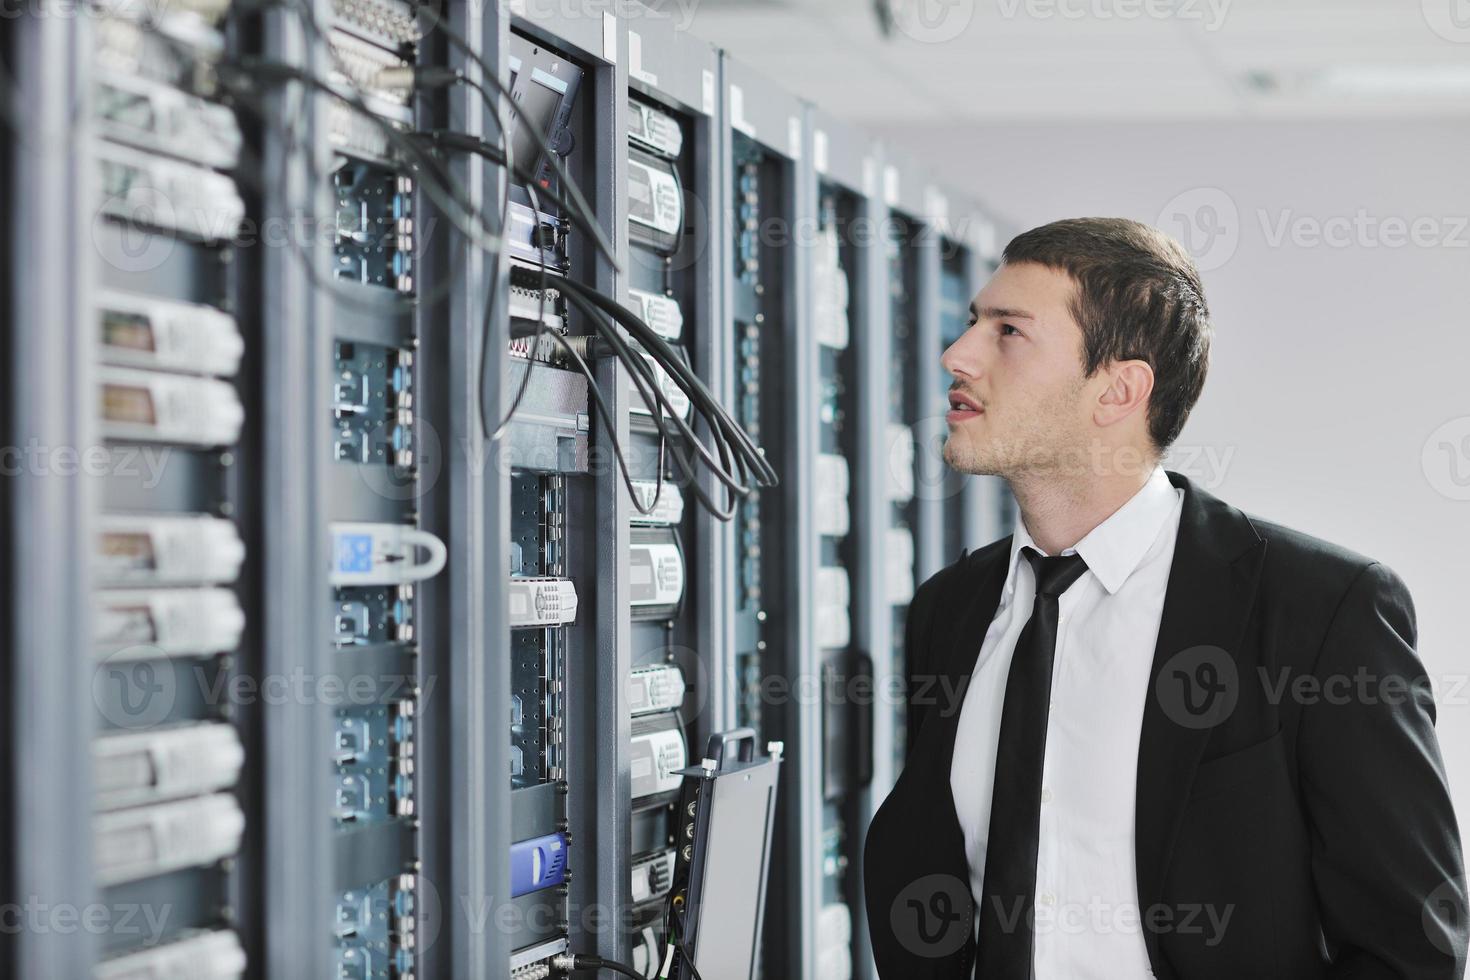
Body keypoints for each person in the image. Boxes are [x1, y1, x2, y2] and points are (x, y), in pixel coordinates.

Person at [863, 217, 1467, 979]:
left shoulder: (1319, 608)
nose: (957, 354)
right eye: (971, 322)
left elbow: (1410, 948)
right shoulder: (950, 609)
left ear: (1118, 388)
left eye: (1008, 331)